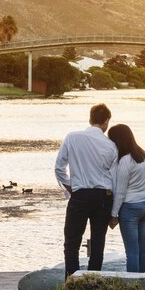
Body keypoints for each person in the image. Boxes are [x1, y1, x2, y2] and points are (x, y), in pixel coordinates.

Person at [55, 103, 118, 278]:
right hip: (103, 196)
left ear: (90, 119)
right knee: (98, 242)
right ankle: (92, 280)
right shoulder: (111, 146)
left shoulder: (72, 137)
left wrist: (70, 188)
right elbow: (113, 177)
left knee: (72, 242)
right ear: (106, 122)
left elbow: (59, 168)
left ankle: (72, 280)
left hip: (80, 194)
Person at [108, 124, 145, 273]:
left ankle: (133, 285)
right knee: (142, 249)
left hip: (130, 207)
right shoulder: (142, 156)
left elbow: (120, 191)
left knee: (131, 251)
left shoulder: (125, 161)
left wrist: (113, 215)